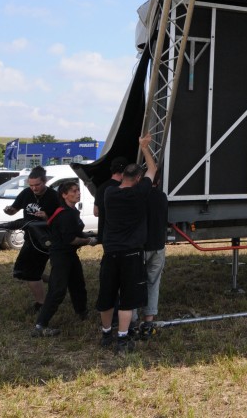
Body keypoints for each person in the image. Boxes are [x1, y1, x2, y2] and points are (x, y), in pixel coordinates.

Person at [96, 135, 155, 353]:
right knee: (127, 299)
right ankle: (122, 338)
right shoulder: (140, 193)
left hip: (110, 252)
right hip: (131, 253)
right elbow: (152, 169)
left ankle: (105, 334)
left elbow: (141, 175)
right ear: (138, 179)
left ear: (122, 177)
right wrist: (144, 148)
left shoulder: (110, 193)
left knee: (107, 295)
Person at [32, 181, 99, 337]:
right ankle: (40, 325)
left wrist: (91, 236)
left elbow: (76, 233)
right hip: (61, 255)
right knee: (57, 290)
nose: (78, 193)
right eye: (73, 191)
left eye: (78, 190)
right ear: (64, 195)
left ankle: (82, 312)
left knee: (77, 284)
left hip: (70, 254)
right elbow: (71, 239)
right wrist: (89, 241)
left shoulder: (72, 211)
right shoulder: (65, 214)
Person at [4, 167, 60, 311]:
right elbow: (14, 210)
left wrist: (47, 217)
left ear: (45, 181)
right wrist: (9, 210)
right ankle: (57, 281)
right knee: (20, 271)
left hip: (45, 239)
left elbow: (61, 219)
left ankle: (41, 304)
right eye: (31, 185)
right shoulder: (26, 193)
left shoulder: (54, 196)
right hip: (30, 237)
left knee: (31, 273)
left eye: (37, 185)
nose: (34, 188)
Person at [140, 157, 169, 339]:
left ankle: (133, 319)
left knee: (134, 283)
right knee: (153, 283)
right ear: (159, 182)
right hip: (158, 245)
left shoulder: (138, 196)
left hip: (140, 247)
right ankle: (148, 321)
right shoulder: (162, 197)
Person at [94, 157, 128, 244]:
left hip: (104, 234)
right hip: (120, 235)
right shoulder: (123, 188)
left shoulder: (101, 188)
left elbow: (96, 212)